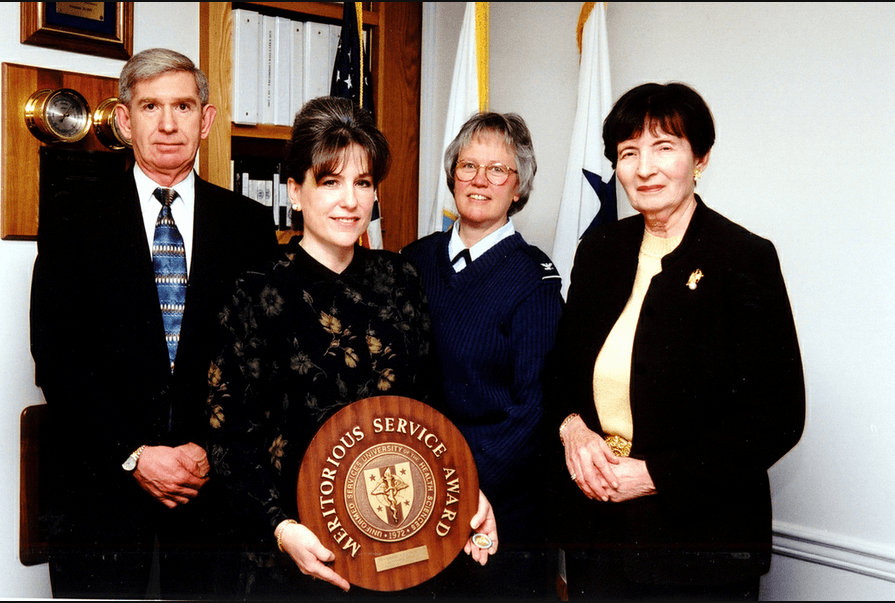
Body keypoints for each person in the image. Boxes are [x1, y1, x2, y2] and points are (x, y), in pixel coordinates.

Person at [205, 96, 498, 598]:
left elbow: (429, 411)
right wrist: (280, 528)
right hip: (299, 553)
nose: (350, 201)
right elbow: (227, 436)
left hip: (402, 545)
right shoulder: (254, 290)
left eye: (363, 183)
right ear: (295, 192)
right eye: (330, 182)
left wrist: (469, 492)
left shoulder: (400, 277)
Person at [30, 48, 277, 598]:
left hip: (212, 492)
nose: (168, 124)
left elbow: (261, 362)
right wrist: (137, 454)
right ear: (123, 119)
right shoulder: (73, 215)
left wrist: (206, 450)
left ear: (206, 120)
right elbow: (57, 355)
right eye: (150, 107)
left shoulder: (248, 225)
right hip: (101, 491)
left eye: (184, 106)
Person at [546, 82, 805, 600]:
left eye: (664, 147)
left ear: (700, 158)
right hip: (599, 539)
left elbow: (776, 416)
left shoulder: (744, 259)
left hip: (698, 549)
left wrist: (654, 475)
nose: (644, 168)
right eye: (628, 153)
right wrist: (573, 429)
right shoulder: (600, 251)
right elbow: (559, 372)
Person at [402, 112, 563, 597]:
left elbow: (533, 409)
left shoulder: (534, 281)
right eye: (468, 166)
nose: (479, 180)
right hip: (411, 490)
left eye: (498, 170)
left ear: (519, 188)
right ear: (452, 174)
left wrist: (459, 487)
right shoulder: (412, 261)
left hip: (495, 504)